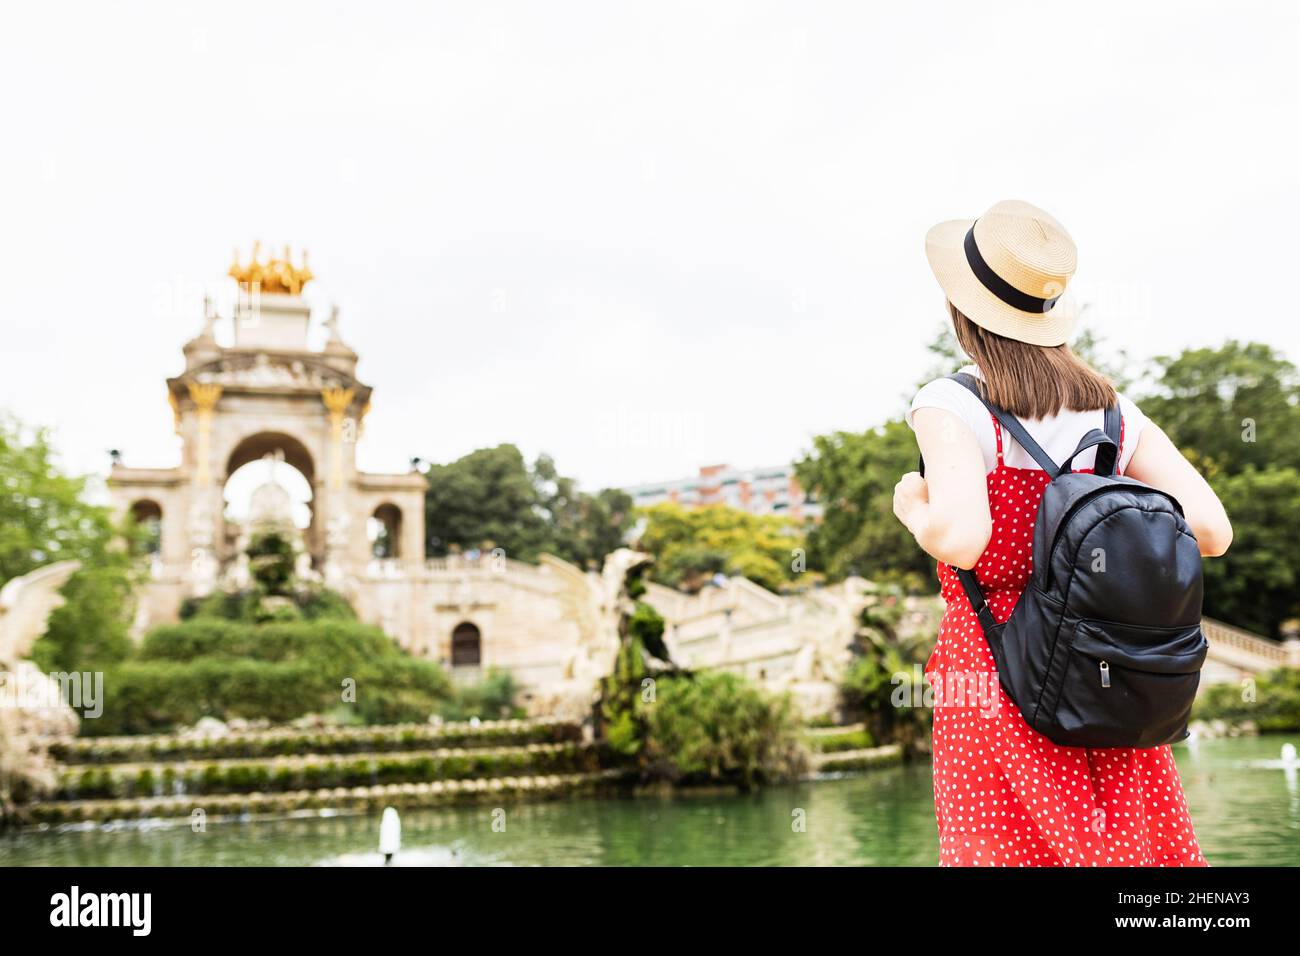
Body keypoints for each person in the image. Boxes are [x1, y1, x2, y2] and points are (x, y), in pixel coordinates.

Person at [893, 200, 1232, 867]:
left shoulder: (952, 403)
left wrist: (911, 504)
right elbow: (1212, 530)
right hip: (1106, 675)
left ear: (961, 313)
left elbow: (960, 538)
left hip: (995, 675)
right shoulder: (1110, 409)